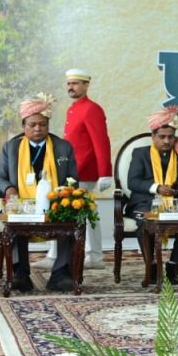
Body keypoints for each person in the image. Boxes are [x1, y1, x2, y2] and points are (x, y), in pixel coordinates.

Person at [0, 94, 78, 293]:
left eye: (42, 124)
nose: (38, 128)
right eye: (32, 125)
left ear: (48, 126)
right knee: (13, 222)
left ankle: (60, 274)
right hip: (21, 205)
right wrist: (9, 188)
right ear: (24, 126)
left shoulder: (63, 147)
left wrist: (62, 194)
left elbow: (73, 179)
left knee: (71, 217)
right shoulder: (11, 147)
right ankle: (20, 274)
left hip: (54, 204)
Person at [37, 69, 112, 271]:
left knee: (86, 212)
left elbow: (101, 142)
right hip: (69, 169)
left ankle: (93, 256)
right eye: (69, 84)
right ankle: (57, 255)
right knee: (60, 209)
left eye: (76, 83)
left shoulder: (92, 109)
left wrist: (105, 172)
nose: (71, 87)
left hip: (84, 170)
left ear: (86, 85)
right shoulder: (73, 109)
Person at [126, 106, 178, 284]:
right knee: (144, 225)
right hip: (145, 202)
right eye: (162, 137)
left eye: (171, 137)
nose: (167, 141)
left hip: (176, 204)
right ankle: (152, 267)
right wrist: (156, 188)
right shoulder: (140, 154)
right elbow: (133, 182)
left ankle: (173, 264)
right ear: (153, 136)